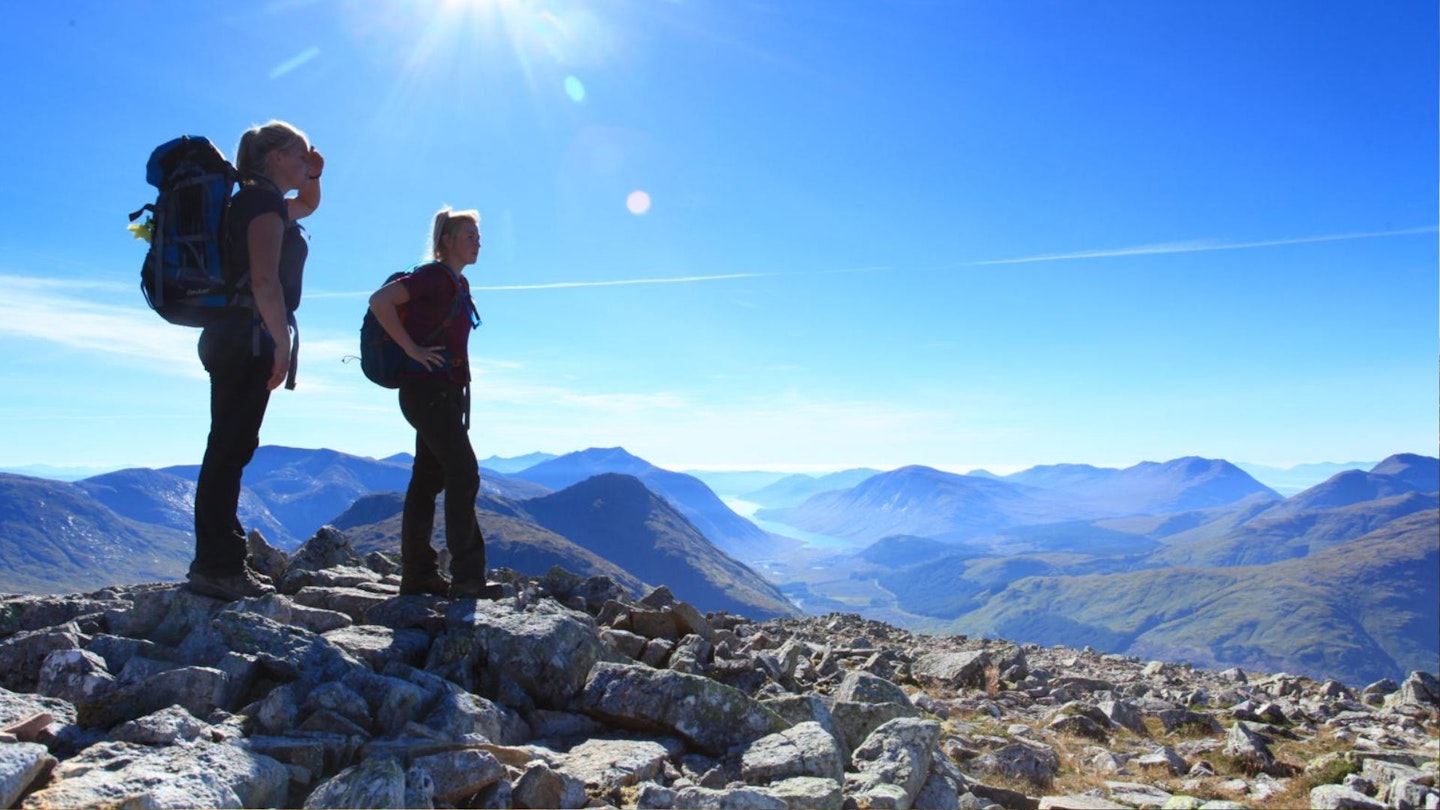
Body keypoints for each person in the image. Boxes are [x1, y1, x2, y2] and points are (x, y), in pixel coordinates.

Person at [187, 120, 323, 601]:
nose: (306, 161)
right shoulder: (261, 203)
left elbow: (308, 205)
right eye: (299, 154)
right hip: (248, 335)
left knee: (230, 444)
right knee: (229, 448)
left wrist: (314, 173)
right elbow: (264, 281)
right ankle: (217, 567)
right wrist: (281, 343)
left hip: (230, 333)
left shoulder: (250, 199)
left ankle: (221, 557)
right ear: (273, 157)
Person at [368, 207, 497, 598]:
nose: (478, 243)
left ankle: (418, 575)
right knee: (464, 472)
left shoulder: (458, 283)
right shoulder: (433, 276)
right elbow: (380, 301)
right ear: (446, 241)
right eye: (469, 236)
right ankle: (467, 578)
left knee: (428, 479)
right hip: (426, 391)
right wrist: (412, 349)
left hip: (443, 391)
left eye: (477, 236)